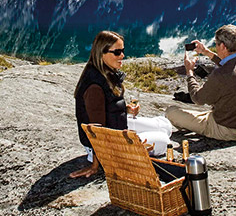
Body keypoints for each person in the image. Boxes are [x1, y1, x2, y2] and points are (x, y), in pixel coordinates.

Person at [70, 30, 174, 178]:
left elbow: (106, 108)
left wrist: (126, 110)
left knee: (165, 125)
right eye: (117, 52)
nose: (122, 56)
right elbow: (96, 131)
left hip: (116, 125)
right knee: (163, 141)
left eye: (122, 51)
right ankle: (95, 158)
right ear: (102, 53)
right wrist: (96, 166)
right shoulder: (94, 86)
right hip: (105, 144)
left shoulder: (106, 72)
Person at [164, 24, 236, 141]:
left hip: (227, 130)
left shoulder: (220, 74)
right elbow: (229, 65)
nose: (215, 46)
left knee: (171, 112)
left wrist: (189, 72)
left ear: (223, 46)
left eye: (216, 44)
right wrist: (206, 52)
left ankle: (194, 126)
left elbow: (198, 99)